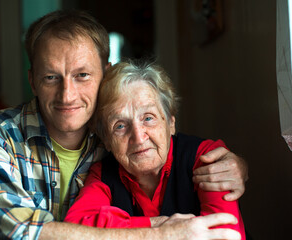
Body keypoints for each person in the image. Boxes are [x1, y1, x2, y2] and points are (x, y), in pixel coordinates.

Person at [0, 10, 248, 239]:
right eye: (51, 77)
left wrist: (240, 168)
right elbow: (18, 232)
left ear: (106, 73)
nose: (68, 95)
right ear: (32, 81)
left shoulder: (114, 134)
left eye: (82, 75)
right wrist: (159, 232)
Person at [64, 60, 246, 240]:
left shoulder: (206, 157)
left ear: (171, 123)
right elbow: (77, 229)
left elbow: (225, 234)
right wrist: (158, 228)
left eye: (148, 118)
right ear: (107, 141)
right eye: (120, 126)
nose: (138, 137)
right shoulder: (102, 174)